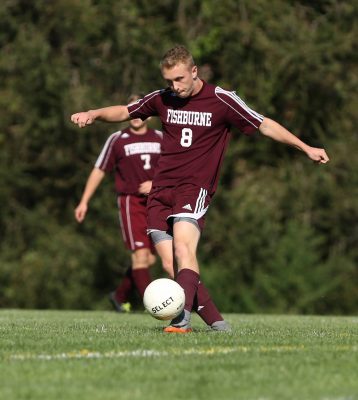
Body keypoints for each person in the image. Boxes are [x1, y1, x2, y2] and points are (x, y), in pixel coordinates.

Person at [71, 45, 329, 333]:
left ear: (194, 72)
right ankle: (218, 323)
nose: (174, 87)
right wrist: (93, 113)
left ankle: (181, 321)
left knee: (184, 247)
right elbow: (125, 110)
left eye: (179, 79)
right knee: (171, 267)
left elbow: (264, 124)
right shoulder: (162, 98)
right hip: (160, 190)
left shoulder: (222, 99)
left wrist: (305, 147)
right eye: (169, 81)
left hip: (194, 188)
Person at [74, 94, 173, 312]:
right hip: (131, 203)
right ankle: (155, 305)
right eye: (131, 110)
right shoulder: (117, 139)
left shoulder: (160, 138)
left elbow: (172, 169)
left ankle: (119, 296)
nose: (136, 115)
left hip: (156, 203)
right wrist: (84, 201)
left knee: (149, 260)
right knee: (139, 257)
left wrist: (155, 183)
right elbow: (99, 169)